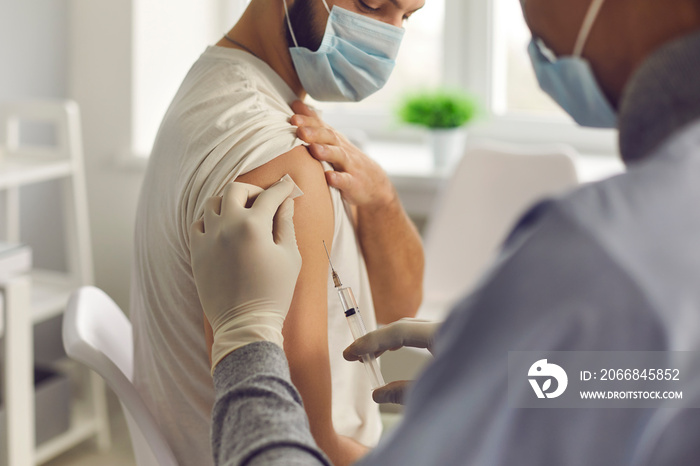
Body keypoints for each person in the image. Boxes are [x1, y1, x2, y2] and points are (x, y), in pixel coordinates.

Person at [191, 0, 700, 464]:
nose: (529, 18)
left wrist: (246, 343)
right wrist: (524, 377)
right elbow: (660, 381)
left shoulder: (600, 250)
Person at [129, 0, 425, 464]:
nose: (389, 36)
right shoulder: (274, 158)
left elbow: (394, 312)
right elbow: (309, 448)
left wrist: (382, 199)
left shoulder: (221, 88)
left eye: (408, 15)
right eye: (372, 3)